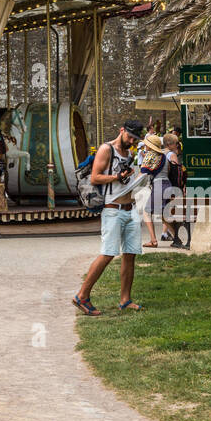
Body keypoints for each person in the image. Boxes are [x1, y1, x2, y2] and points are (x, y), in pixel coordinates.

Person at [73, 119, 145, 315]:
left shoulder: (129, 153)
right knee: (108, 253)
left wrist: (133, 177)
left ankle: (125, 299)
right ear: (121, 130)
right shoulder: (107, 149)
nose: (131, 140)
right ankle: (82, 295)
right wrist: (117, 177)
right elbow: (95, 177)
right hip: (112, 209)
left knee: (130, 255)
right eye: (129, 136)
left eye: (134, 138)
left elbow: (123, 179)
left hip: (130, 208)